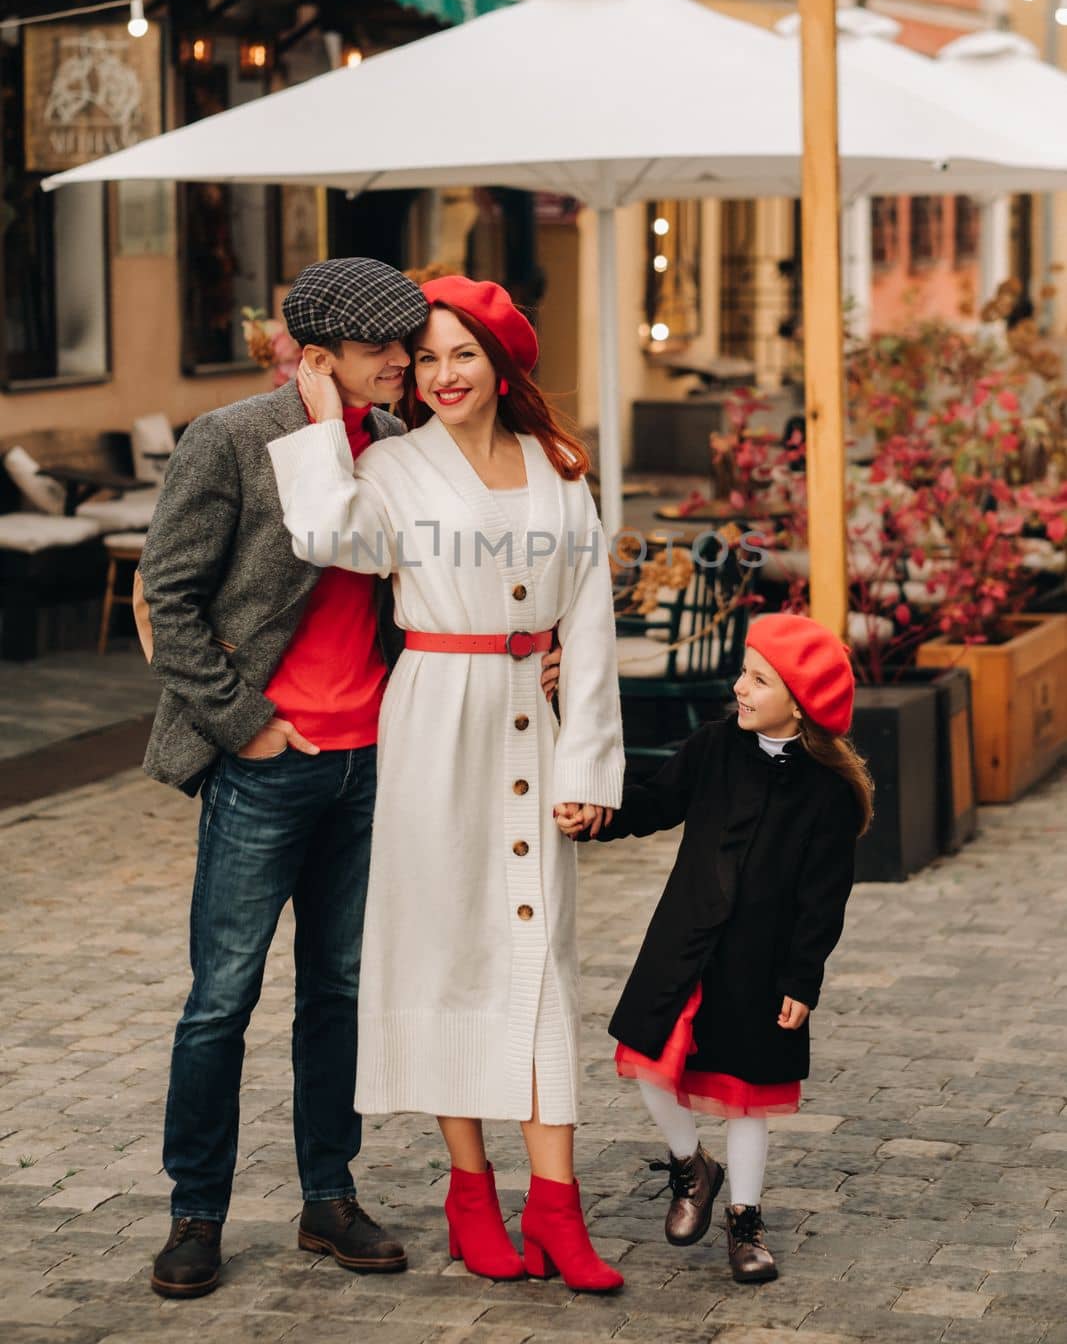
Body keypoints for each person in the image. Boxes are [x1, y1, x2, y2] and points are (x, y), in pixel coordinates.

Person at [139, 257, 558, 1300]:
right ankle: (196, 1211)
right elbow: (169, 599)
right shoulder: (231, 439)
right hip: (269, 767)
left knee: (337, 991)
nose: (405, 364)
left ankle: (328, 1197)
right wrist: (246, 728)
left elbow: (459, 568)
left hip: (379, 762)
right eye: (383, 351)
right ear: (318, 358)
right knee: (221, 999)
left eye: (411, 347)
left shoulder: (402, 450)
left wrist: (528, 646)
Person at [269, 274, 627, 1293]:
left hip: (533, 712)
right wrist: (315, 421)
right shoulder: (389, 463)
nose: (440, 374)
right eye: (422, 359)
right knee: (449, 950)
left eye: (459, 353)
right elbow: (329, 535)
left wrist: (588, 759)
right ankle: (470, 1189)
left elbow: (589, 620)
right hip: (435, 717)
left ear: (500, 360)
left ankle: (556, 1207)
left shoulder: (558, 470)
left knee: (542, 957)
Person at [558, 612, 872, 1285]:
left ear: (799, 700)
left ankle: (745, 1221)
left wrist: (801, 980)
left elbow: (824, 901)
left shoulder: (828, 795)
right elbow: (653, 802)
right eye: (742, 672)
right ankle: (689, 1166)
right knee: (645, 1062)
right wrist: (595, 817)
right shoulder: (713, 748)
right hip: (682, 942)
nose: (739, 687)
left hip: (757, 967)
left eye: (758, 679)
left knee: (745, 1094)